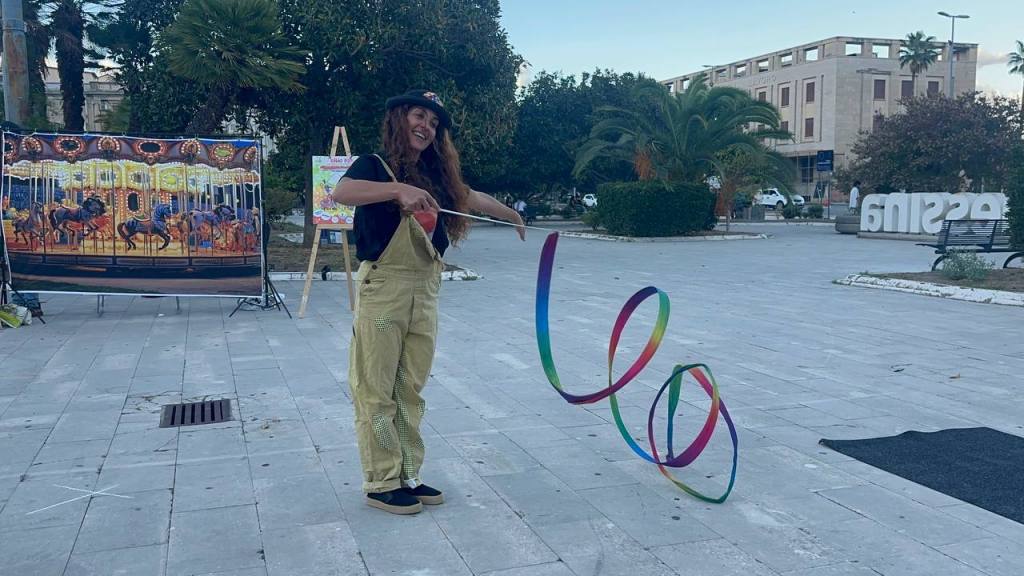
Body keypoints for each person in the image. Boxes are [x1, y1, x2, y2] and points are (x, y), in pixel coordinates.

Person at [333, 89, 525, 515]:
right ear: (399, 118)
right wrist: (396, 189)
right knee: (375, 387)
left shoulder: (439, 179)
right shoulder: (373, 166)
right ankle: (381, 481)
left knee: (411, 390)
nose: (426, 126)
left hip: (426, 290)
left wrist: (511, 215)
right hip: (385, 288)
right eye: (418, 116)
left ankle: (408, 475)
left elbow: (473, 199)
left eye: (434, 123)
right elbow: (341, 194)